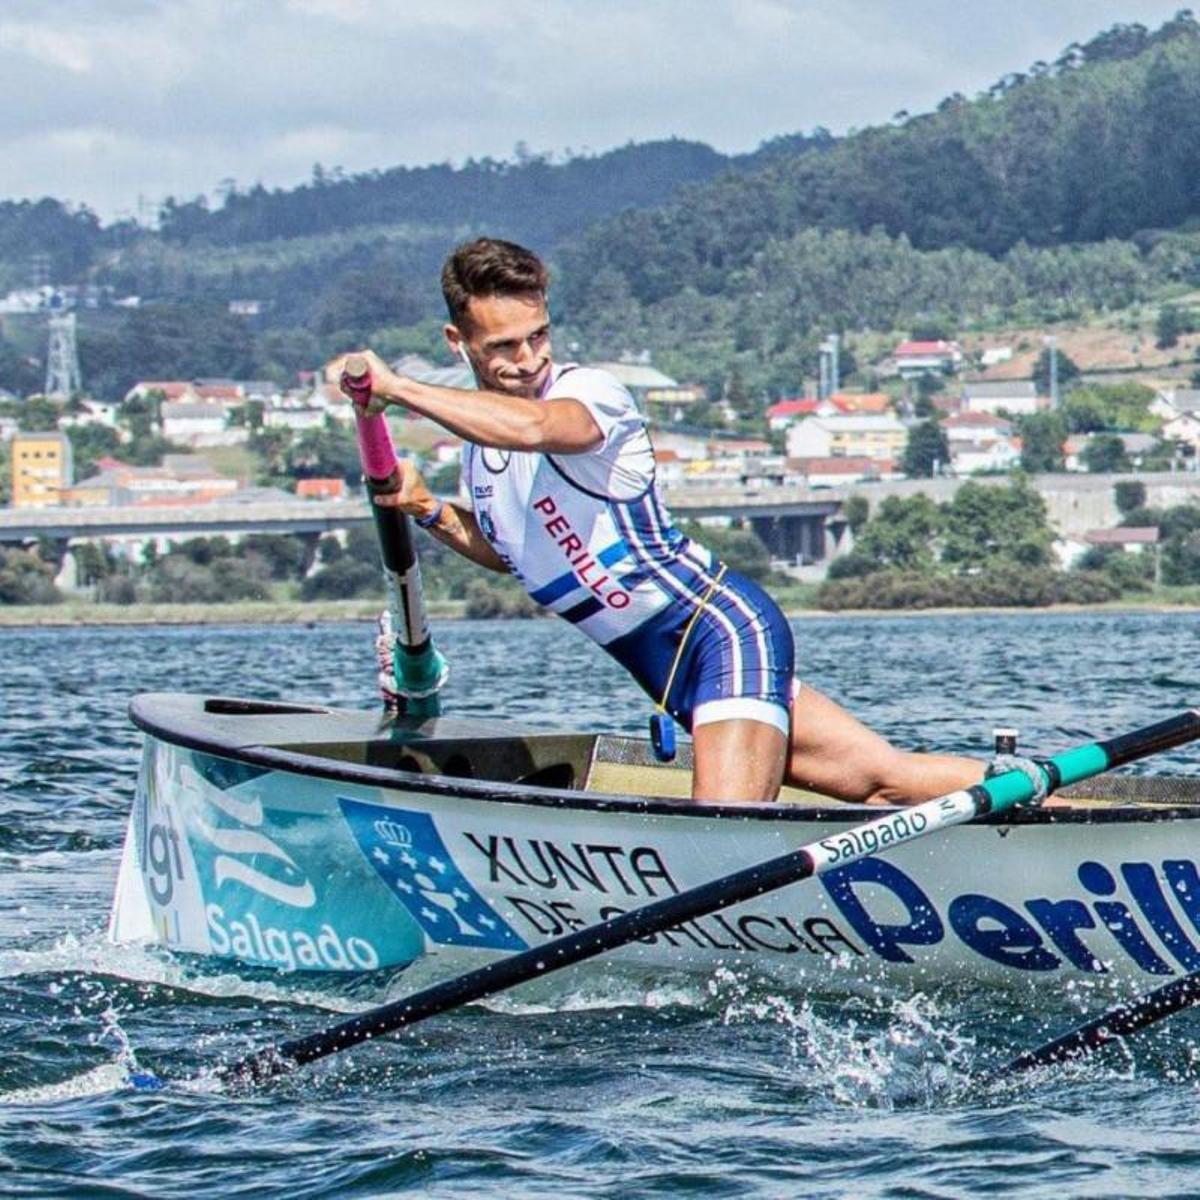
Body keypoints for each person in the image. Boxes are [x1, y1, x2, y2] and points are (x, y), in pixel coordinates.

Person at [327, 237, 985, 805]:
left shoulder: (587, 394)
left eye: (539, 335)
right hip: (668, 673)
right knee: (882, 782)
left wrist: (400, 389)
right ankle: (1075, 813)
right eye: (504, 345)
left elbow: (541, 429)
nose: (529, 359)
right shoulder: (480, 451)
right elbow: (516, 553)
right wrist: (432, 510)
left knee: (726, 846)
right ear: (457, 340)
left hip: (717, 636)